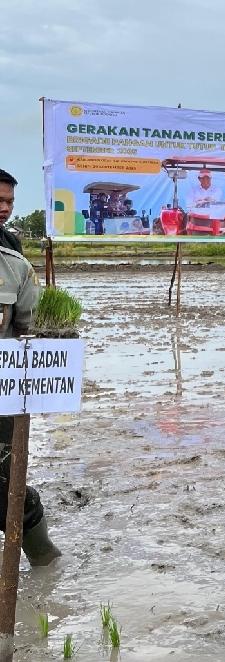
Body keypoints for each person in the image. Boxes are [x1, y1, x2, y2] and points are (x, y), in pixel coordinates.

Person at [0, 170, 62, 566]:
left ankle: (44, 562)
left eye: (9, 202)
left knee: (9, 482)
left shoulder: (13, 259)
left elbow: (27, 326)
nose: (4, 209)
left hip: (0, 391)